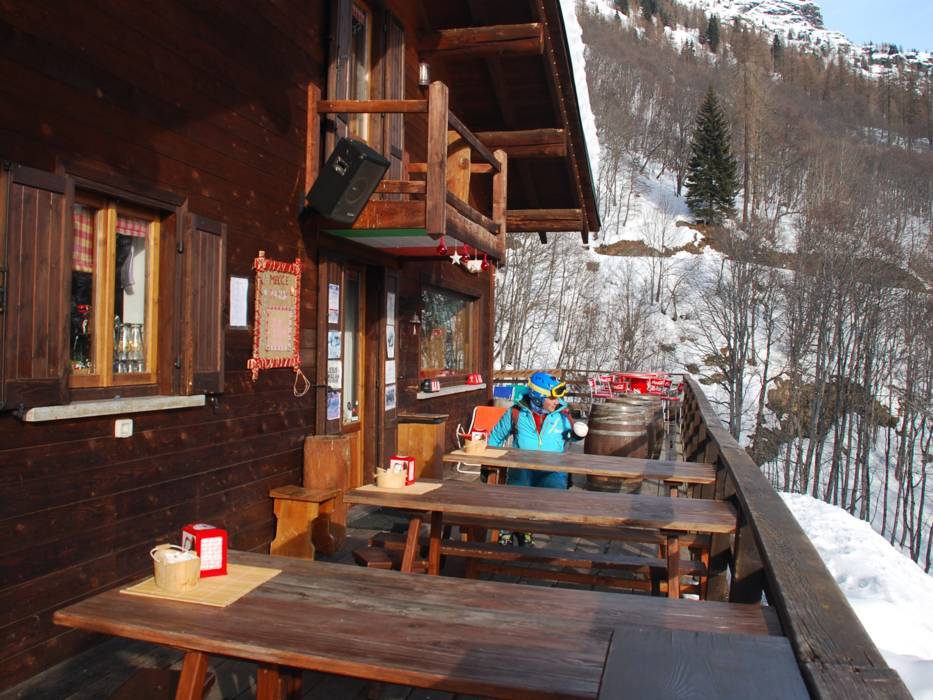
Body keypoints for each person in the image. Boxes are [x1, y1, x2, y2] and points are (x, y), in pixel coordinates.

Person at [487, 371, 588, 546]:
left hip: (551, 469)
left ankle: (526, 528)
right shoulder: (516, 413)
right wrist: (487, 465)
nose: (557, 401)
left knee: (547, 498)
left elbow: (571, 435)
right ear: (538, 398)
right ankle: (507, 529)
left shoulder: (562, 414)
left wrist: (577, 435)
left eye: (558, 397)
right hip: (521, 468)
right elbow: (495, 438)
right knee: (516, 493)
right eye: (552, 398)